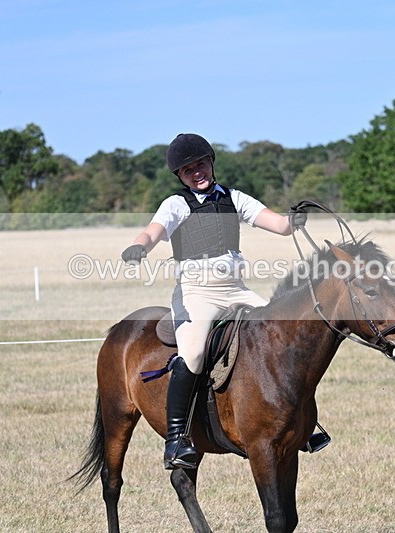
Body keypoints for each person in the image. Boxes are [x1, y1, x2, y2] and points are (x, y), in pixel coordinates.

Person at [122, 133, 311, 470]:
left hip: (236, 289)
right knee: (193, 352)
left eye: (201, 164)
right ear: (180, 176)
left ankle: (301, 422)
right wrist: (140, 245)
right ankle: (177, 439)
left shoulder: (234, 198)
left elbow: (279, 225)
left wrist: (292, 220)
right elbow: (154, 230)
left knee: (280, 332)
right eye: (188, 170)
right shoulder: (176, 204)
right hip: (197, 292)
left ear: (211, 161)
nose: (197, 173)